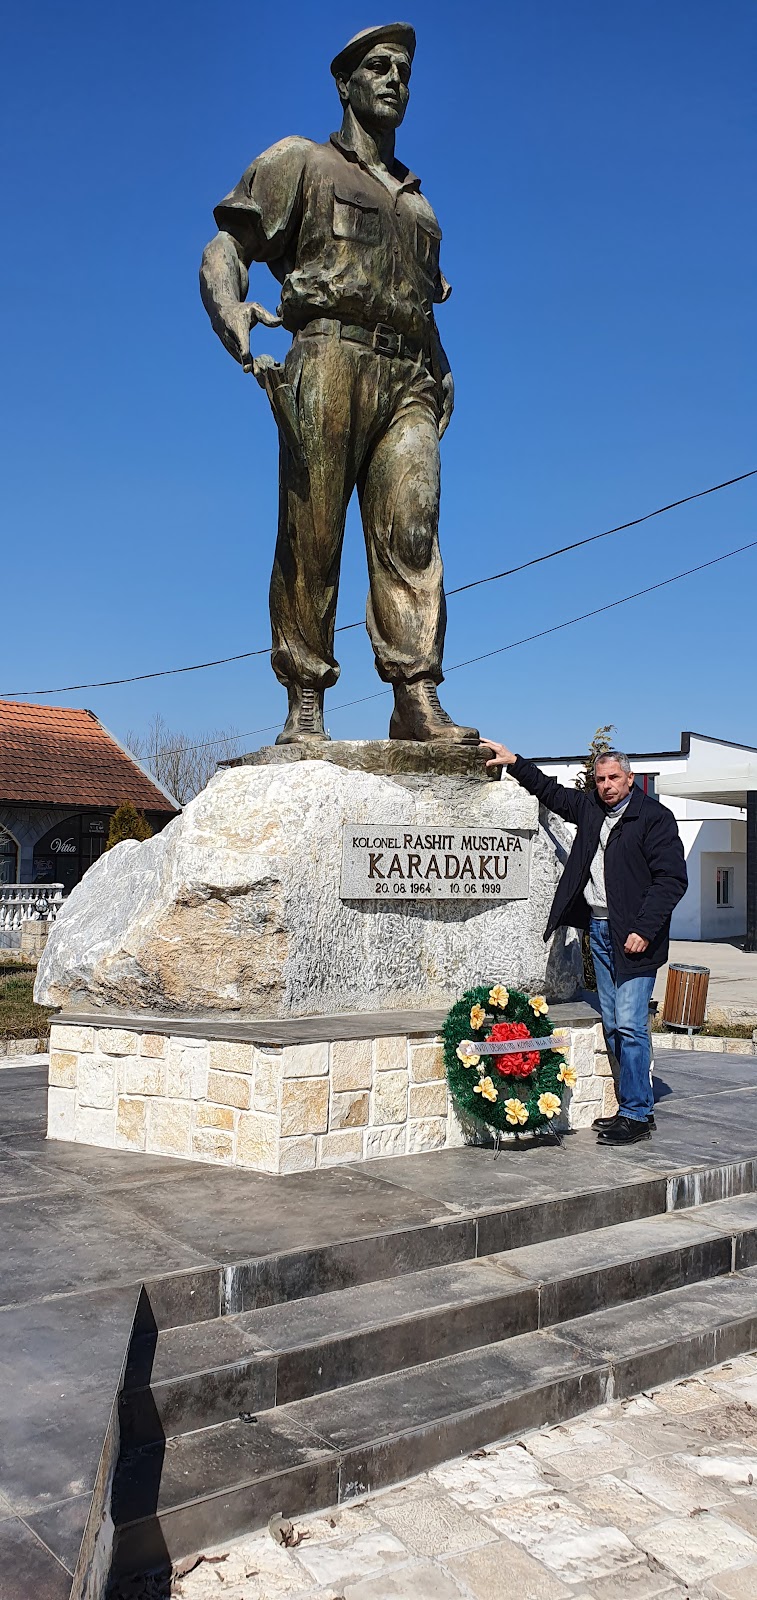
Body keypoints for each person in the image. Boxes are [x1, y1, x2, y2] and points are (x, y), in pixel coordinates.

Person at [199, 23, 478, 747]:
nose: (394, 79)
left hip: (407, 375)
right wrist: (229, 307)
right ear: (345, 82)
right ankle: (305, 697)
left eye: (404, 70)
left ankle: (415, 695)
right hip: (326, 355)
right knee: (311, 532)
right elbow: (227, 246)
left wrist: (440, 365)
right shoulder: (304, 162)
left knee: (411, 530)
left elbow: (418, 300)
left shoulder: (419, 206)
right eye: (378, 66)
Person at [480, 739, 688, 1144]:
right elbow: (553, 794)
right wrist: (516, 762)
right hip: (600, 932)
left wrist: (643, 930)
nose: (606, 785)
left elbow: (671, 880)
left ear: (630, 779)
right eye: (600, 779)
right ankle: (629, 1105)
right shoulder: (592, 808)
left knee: (630, 1025)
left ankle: (638, 1114)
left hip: (635, 939)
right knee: (613, 1025)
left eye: (614, 778)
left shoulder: (654, 819)